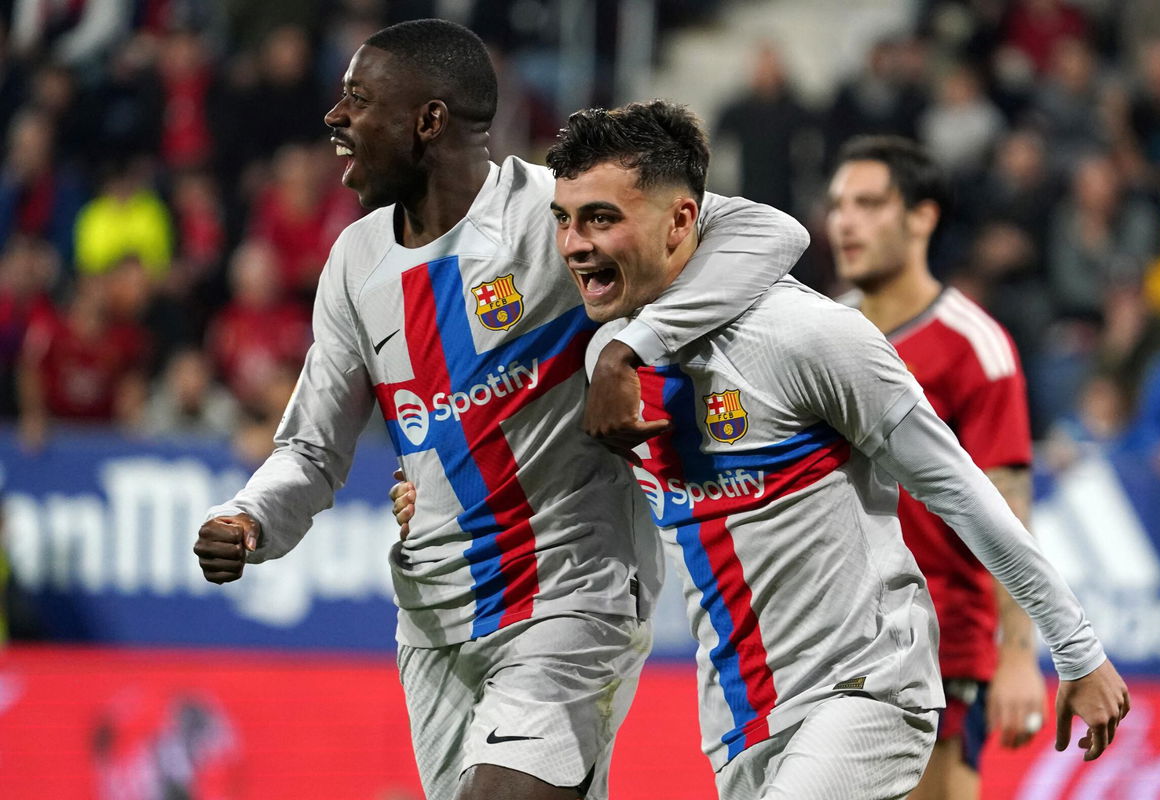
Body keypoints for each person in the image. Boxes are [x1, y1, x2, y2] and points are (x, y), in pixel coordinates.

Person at [191, 18, 806, 800]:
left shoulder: (553, 214)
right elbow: (312, 451)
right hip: (434, 624)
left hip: (570, 595)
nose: (334, 119)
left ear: (428, 120)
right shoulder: (356, 261)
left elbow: (767, 231)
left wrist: (630, 347)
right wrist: (251, 517)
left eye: (357, 99)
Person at [541, 99, 1128, 799]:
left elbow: (965, 492)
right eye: (564, 221)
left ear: (679, 221)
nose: (574, 244)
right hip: (740, 715)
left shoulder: (810, 335)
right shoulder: (612, 359)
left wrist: (1077, 651)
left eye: (602, 218)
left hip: (866, 689)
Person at [826, 134, 1046, 800]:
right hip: (828, 640)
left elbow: (1007, 503)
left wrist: (1016, 653)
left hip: (937, 648)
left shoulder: (973, 347)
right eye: (838, 204)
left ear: (922, 217)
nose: (845, 221)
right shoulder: (822, 331)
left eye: (869, 203)